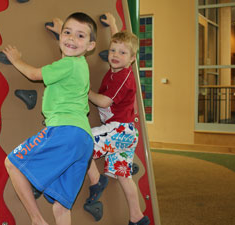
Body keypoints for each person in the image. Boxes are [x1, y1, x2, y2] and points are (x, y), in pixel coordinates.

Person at [3, 12, 97, 225]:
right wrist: (61, 33)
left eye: (80, 36)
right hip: (83, 140)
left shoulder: (69, 64)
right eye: (67, 33)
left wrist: (17, 60)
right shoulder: (80, 64)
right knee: (62, 205)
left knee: (13, 163)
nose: (72, 39)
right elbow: (71, 46)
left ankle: (37, 220)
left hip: (65, 130)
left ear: (91, 46)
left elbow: (36, 74)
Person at [85, 13, 150, 225]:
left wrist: (85, 91)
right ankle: (137, 217)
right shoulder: (119, 65)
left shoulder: (124, 76)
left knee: (81, 142)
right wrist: (113, 25)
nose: (115, 55)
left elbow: (104, 102)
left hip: (119, 130)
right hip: (125, 135)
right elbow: (121, 42)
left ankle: (97, 180)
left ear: (132, 59)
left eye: (122, 53)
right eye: (113, 50)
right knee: (124, 176)